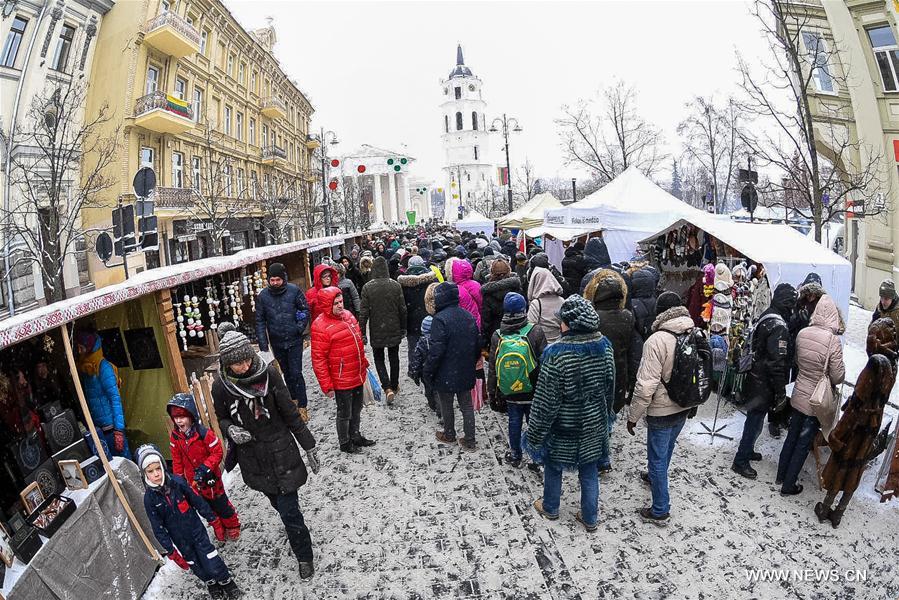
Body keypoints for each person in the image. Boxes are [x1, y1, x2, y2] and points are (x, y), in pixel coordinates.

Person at [211, 323, 319, 580]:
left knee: (290, 512)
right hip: (253, 459)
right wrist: (230, 429)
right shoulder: (221, 387)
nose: (245, 366)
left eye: (247, 359)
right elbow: (222, 417)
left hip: (282, 452)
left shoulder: (269, 374)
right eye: (238, 364)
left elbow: (290, 413)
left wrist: (309, 445)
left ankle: (304, 556)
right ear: (227, 364)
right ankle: (292, 525)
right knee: (278, 503)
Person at [525, 295, 614, 533]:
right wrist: (606, 419)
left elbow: (545, 403)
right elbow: (610, 388)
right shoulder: (604, 346)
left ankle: (550, 506)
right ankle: (590, 517)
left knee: (553, 466)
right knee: (589, 470)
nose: (560, 324)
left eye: (562, 320)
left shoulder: (556, 354)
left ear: (571, 323)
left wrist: (535, 435)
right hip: (593, 423)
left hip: (563, 426)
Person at [626, 292, 696, 526]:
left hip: (661, 409)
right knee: (667, 448)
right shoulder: (694, 333)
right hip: (683, 405)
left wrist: (633, 416)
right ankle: (655, 478)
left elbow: (646, 385)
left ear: (660, 313)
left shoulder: (656, 341)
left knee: (656, 457)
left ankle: (660, 510)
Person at [137, 444, 242, 599]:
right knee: (196, 564)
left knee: (210, 558)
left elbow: (198, 501)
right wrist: (171, 551)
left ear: (163, 466)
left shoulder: (177, 483)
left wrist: (213, 520)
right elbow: (157, 527)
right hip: (180, 540)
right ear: (145, 473)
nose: (156, 474)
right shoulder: (150, 499)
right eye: (150, 471)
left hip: (196, 531)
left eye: (158, 468)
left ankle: (226, 581)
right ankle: (211, 583)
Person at [776, 294, 845, 496]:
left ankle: (781, 474)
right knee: (803, 442)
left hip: (799, 392)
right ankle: (789, 485)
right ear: (833, 315)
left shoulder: (803, 333)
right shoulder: (833, 341)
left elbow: (798, 361)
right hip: (816, 399)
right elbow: (837, 376)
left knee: (792, 436)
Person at [817, 352, 893, 527]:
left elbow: (846, 422)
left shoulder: (859, 404)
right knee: (853, 476)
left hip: (849, 441)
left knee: (839, 472)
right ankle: (839, 513)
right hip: (864, 445)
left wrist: (836, 437)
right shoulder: (879, 404)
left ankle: (825, 509)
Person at [732, 283, 797, 480]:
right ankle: (740, 461)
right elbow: (776, 363)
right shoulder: (779, 327)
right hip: (764, 383)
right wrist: (780, 392)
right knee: (754, 421)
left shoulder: (768, 315)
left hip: (755, 377)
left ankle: (748, 449)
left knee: (755, 419)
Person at [167, 393, 241, 542]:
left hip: (211, 479)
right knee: (205, 506)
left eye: (182, 417)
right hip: (194, 481)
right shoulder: (175, 438)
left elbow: (217, 452)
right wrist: (179, 479)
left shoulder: (204, 434)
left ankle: (232, 524)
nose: (179, 421)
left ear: (191, 416)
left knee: (220, 503)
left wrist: (205, 467)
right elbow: (177, 460)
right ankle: (218, 525)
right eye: (176, 417)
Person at [585, 268, 638, 473]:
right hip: (618, 373)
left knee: (595, 415)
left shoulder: (593, 317)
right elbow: (632, 351)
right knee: (608, 414)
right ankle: (603, 454)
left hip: (595, 373)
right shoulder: (627, 316)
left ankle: (600, 456)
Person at [311, 288, 375, 453]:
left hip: (356, 373)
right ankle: (345, 442)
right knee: (345, 412)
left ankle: (355, 436)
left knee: (357, 408)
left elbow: (357, 342)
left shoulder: (349, 316)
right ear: (327, 305)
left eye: (341, 302)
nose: (340, 305)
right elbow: (318, 359)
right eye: (336, 303)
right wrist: (327, 385)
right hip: (341, 379)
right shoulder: (320, 326)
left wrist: (363, 362)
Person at [487, 292, 547, 468]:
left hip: (510, 389)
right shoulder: (535, 331)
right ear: (524, 309)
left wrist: (492, 392)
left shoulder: (498, 335)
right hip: (532, 387)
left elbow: (493, 368)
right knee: (533, 423)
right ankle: (537, 457)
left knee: (514, 421)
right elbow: (545, 362)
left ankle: (515, 454)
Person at [424, 282, 481, 451]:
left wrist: (428, 370)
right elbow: (477, 343)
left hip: (445, 370)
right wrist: (471, 361)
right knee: (466, 405)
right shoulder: (468, 316)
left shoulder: (440, 319)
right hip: (465, 368)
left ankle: (449, 434)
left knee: (446, 404)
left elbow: (436, 350)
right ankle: (470, 439)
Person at [255, 262, 311, 422]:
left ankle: (303, 406)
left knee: (296, 373)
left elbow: (304, 309)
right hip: (277, 341)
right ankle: (294, 401)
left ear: (283, 278)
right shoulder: (263, 297)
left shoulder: (294, 291)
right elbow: (260, 321)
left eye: (277, 280)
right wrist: (263, 343)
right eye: (272, 280)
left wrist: (299, 327)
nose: (275, 283)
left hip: (294, 340)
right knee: (286, 374)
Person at [75, 328, 130, 458]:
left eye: (81, 348)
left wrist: (118, 430)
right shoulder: (86, 368)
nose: (79, 351)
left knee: (124, 462)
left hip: (112, 428)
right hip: (99, 429)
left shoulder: (103, 367)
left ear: (89, 348)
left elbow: (115, 399)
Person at [359, 256, 407, 404]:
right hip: (393, 326)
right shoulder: (395, 285)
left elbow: (363, 313)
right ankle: (394, 384)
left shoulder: (367, 287)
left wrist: (362, 332)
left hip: (377, 328)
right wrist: (403, 327)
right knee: (394, 357)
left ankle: (387, 387)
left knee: (379, 358)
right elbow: (402, 309)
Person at [398, 255, 439, 367]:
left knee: (413, 347)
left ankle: (414, 368)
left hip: (411, 321)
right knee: (431, 345)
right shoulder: (432, 280)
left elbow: (401, 305)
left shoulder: (403, 283)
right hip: (429, 319)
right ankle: (429, 367)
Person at [480, 259, 522, 348]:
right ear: (509, 271)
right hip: (517, 334)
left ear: (492, 273)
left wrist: (486, 340)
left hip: (497, 334)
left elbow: (486, 320)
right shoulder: (516, 288)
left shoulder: (488, 293)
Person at [408, 316, 438, 418]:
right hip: (437, 369)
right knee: (437, 389)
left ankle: (433, 404)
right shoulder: (439, 340)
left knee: (429, 389)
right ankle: (439, 405)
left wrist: (415, 373)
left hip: (425, 371)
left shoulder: (421, 342)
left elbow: (416, 359)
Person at [527, 266, 564, 343]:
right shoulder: (562, 301)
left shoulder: (536, 304)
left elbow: (530, 327)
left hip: (542, 345)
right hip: (559, 343)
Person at [451, 259, 483, 328]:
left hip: (460, 322)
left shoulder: (453, 288)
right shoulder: (475, 285)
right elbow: (480, 302)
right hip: (475, 318)